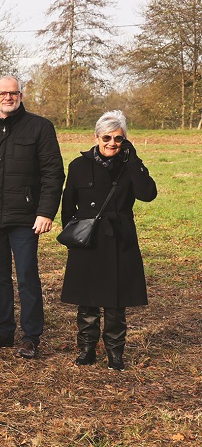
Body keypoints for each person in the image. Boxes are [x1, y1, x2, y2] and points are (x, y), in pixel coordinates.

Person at [0, 75, 64, 359]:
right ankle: (4, 331)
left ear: (21, 96)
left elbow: (53, 173)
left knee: (27, 276)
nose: (8, 97)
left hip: (26, 218)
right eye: (2, 93)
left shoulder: (40, 128)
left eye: (13, 93)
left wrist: (46, 211)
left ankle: (31, 337)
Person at [61, 110, 156, 371]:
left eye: (119, 138)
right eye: (107, 137)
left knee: (116, 301)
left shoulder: (130, 165)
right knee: (87, 299)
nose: (112, 143)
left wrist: (134, 158)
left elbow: (148, 194)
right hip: (88, 239)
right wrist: (73, 236)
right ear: (96, 137)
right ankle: (87, 349)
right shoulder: (78, 165)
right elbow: (67, 204)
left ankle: (115, 353)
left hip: (119, 238)